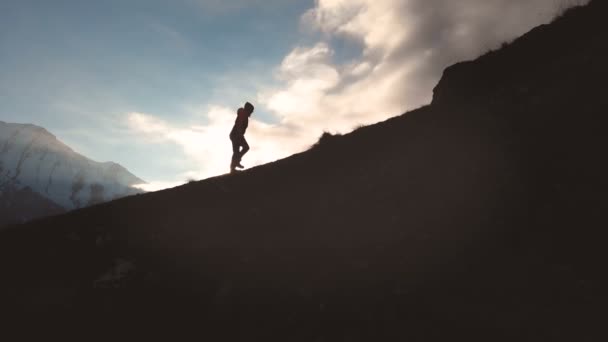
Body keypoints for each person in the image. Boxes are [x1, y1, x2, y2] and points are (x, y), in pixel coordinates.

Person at [229, 102, 254, 173]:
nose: (251, 113)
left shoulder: (244, 114)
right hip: (236, 134)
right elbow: (239, 123)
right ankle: (236, 162)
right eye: (251, 111)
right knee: (245, 147)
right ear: (248, 109)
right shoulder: (243, 113)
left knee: (236, 151)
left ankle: (233, 168)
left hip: (235, 134)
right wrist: (239, 134)